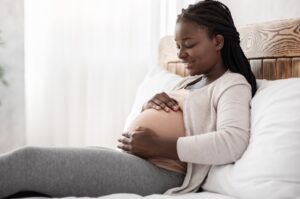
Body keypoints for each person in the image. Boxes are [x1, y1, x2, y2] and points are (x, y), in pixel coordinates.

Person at [0, 0, 257, 198]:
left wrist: (158, 145)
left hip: (162, 173)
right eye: (178, 46)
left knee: (28, 161)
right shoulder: (190, 81)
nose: (181, 54)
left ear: (218, 41)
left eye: (188, 44)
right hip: (139, 161)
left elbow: (231, 142)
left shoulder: (231, 84)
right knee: (27, 184)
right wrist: (149, 106)